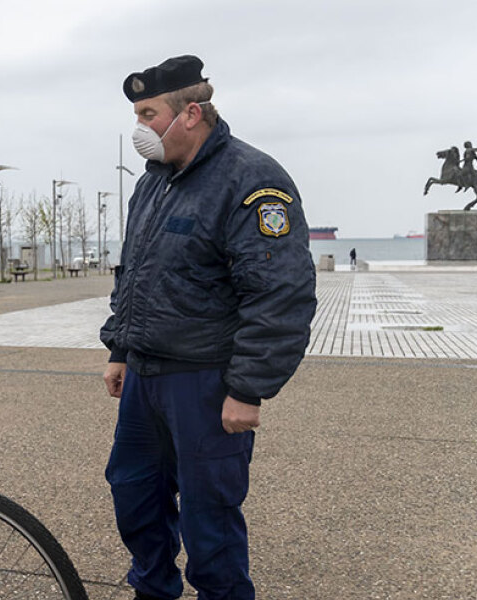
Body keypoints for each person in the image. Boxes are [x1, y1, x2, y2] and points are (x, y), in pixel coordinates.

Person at [100, 55, 317, 600]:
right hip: (146, 377)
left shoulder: (252, 180)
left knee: (209, 523)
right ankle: (153, 591)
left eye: (149, 113)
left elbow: (280, 293)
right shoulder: (154, 182)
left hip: (205, 382)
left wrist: (247, 389)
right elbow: (134, 269)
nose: (139, 127)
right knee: (134, 497)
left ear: (190, 113)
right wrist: (120, 347)